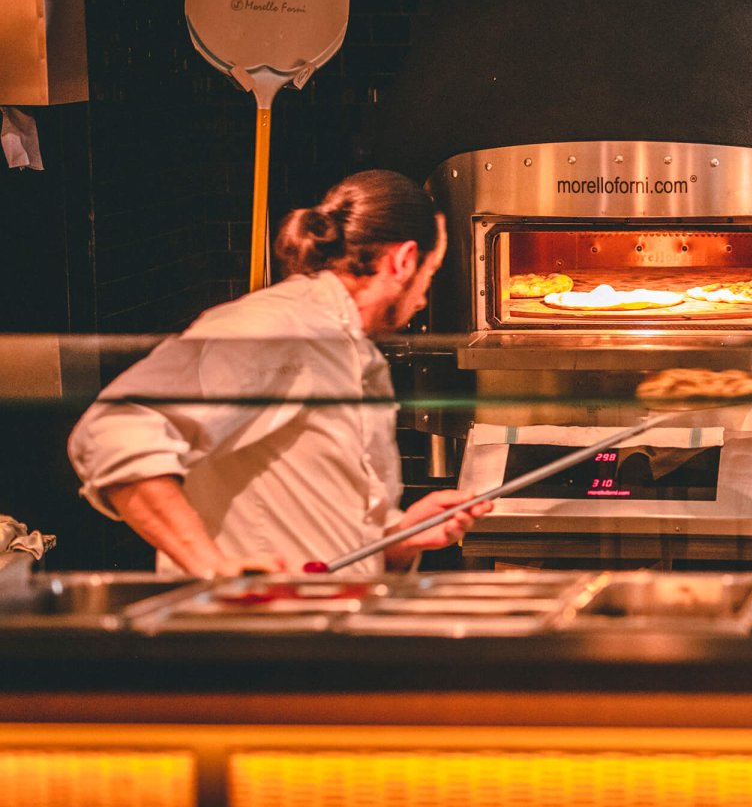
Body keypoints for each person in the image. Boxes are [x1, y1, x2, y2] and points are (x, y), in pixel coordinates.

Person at [68, 170, 491, 577]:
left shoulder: (354, 350)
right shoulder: (277, 328)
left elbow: (317, 529)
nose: (422, 300)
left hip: (323, 616)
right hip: (251, 621)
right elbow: (113, 429)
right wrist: (211, 566)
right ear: (404, 260)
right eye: (429, 277)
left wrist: (398, 539)